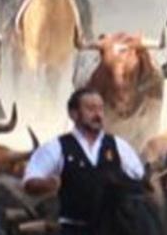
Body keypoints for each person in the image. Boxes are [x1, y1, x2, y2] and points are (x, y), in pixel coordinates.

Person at [23, 88, 145, 235]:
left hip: (113, 228)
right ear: (73, 114)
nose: (98, 115)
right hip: (73, 228)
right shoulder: (57, 147)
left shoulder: (118, 146)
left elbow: (139, 179)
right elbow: (30, 181)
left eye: (100, 109)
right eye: (91, 109)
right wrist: (47, 184)